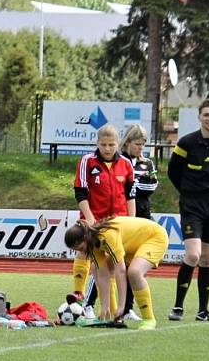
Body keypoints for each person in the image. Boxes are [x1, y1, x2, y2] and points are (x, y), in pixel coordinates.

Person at [167, 98, 209, 322]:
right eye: (206, 115)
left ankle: (203, 310)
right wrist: (188, 191)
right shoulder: (186, 143)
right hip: (191, 204)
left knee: (207, 258)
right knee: (193, 254)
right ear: (199, 117)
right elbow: (173, 172)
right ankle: (178, 307)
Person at [71, 124, 136, 319]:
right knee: (85, 253)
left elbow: (130, 195)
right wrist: (89, 218)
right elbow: (80, 192)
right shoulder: (87, 162)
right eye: (103, 144)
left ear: (118, 144)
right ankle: (78, 298)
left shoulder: (126, 163)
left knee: (112, 263)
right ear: (97, 143)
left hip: (118, 223)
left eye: (111, 144)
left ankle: (112, 309)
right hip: (92, 219)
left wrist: (131, 222)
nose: (107, 149)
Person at [64, 216, 168, 330]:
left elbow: (121, 271)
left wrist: (121, 306)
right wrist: (104, 307)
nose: (81, 252)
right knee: (94, 268)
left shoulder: (107, 236)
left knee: (134, 272)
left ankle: (149, 318)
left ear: (85, 238)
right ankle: (111, 312)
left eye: (80, 248)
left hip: (154, 238)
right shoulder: (92, 242)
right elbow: (103, 274)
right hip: (131, 245)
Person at [118, 124, 159, 320]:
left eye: (143, 144)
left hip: (143, 216)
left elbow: (152, 185)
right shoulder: (119, 161)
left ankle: (128, 307)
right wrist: (134, 182)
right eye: (138, 144)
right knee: (119, 264)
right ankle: (113, 306)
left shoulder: (147, 163)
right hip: (124, 216)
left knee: (136, 265)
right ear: (127, 142)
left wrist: (133, 181)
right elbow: (124, 187)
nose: (141, 148)